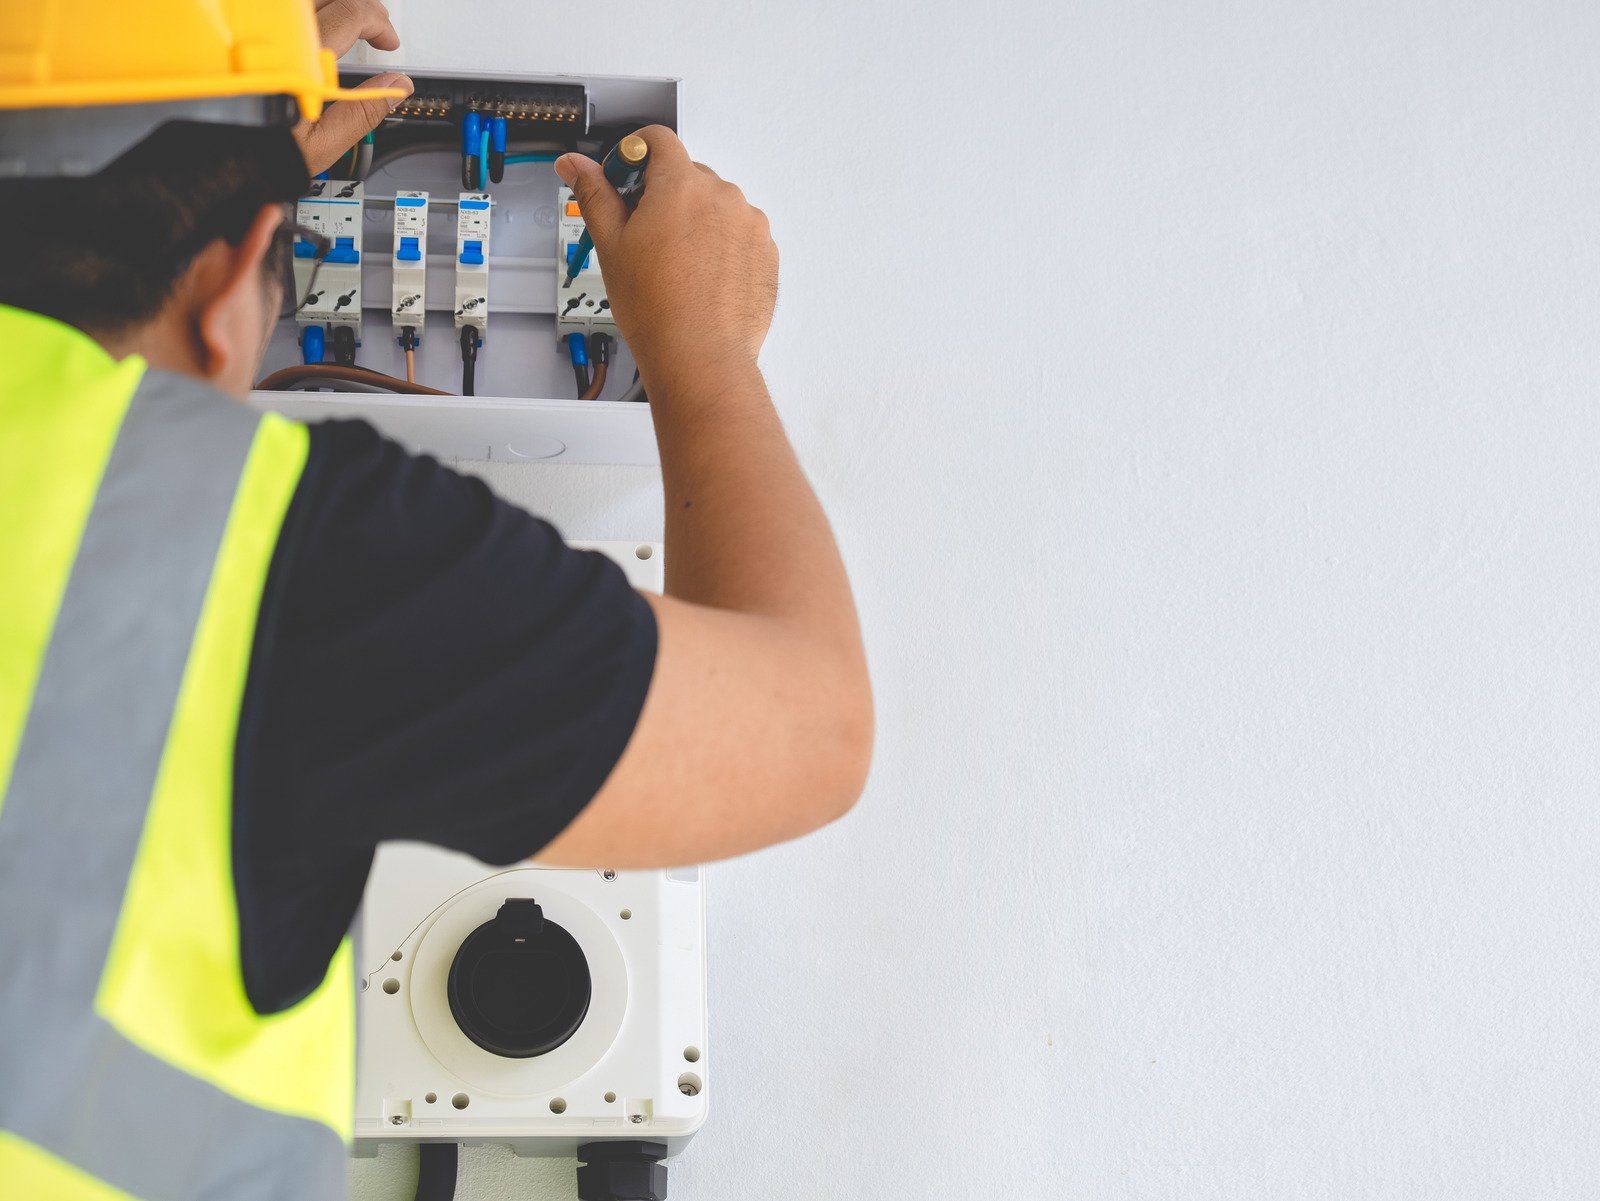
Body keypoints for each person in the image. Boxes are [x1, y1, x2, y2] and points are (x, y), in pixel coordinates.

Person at [0, 1, 872, 1197]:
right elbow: (805, 729)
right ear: (218, 299)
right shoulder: (277, 550)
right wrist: (703, 348)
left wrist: (232, 175)